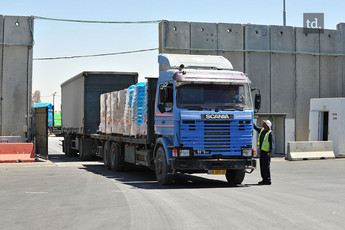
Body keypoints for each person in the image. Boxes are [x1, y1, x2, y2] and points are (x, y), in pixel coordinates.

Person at [254, 120, 274, 185]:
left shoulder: (270, 133)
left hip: (267, 152)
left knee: (266, 167)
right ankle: (264, 179)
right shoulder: (262, 130)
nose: (263, 123)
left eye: (264, 123)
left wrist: (270, 151)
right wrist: (251, 120)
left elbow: (271, 143)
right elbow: (255, 127)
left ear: (267, 125)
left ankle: (268, 180)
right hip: (262, 152)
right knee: (262, 166)